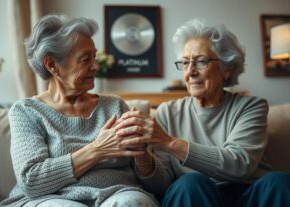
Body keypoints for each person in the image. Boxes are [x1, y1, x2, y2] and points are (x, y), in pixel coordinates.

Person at [116, 18, 290, 206]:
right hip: (195, 196)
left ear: (227, 69)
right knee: (190, 183)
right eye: (184, 63)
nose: (190, 72)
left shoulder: (250, 107)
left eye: (201, 62)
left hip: (249, 196)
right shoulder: (167, 112)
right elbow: (161, 184)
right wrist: (143, 158)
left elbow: (239, 164)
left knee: (279, 182)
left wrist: (170, 142)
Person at [0, 14, 170, 207]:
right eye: (85, 59)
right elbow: (32, 181)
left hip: (117, 195)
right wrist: (97, 149)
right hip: (49, 200)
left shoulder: (114, 106)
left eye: (94, 56)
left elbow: (161, 187)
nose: (96, 66)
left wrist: (142, 157)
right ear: (52, 64)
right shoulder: (26, 112)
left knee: (131, 202)